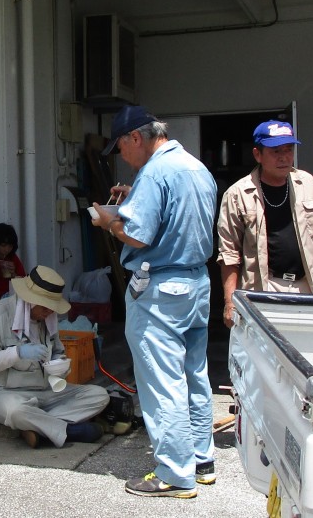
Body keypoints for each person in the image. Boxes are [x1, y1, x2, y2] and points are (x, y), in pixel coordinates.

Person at [89, 105, 217, 499]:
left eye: (121, 147)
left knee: (163, 381)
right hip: (196, 282)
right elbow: (176, 215)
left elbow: (138, 235)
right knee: (194, 374)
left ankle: (175, 474)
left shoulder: (155, 172)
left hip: (160, 287)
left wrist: (108, 220)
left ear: (136, 137)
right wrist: (134, 199)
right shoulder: (196, 167)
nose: (121, 155)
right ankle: (201, 460)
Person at [217, 120, 313, 327]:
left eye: (288, 149)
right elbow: (229, 252)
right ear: (258, 154)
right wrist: (230, 302)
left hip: (307, 285)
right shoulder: (238, 193)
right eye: (275, 151)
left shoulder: (307, 183)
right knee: (268, 346)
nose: (284, 157)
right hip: (265, 287)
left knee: (308, 343)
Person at [0, 266, 110, 448]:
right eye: (45, 307)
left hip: (46, 391)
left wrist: (60, 364)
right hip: (6, 392)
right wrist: (18, 353)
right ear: (30, 300)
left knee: (99, 395)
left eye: (52, 307)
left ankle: (38, 427)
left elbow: (58, 352)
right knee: (16, 412)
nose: (49, 312)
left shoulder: (47, 318)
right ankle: (67, 430)